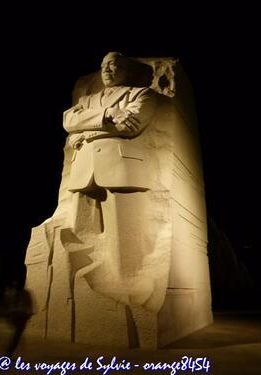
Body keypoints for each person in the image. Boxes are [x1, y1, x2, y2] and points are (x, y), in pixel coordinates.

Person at [62, 52, 160, 308]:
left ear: (126, 70)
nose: (107, 68)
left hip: (119, 165)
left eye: (114, 64)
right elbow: (68, 121)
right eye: (104, 65)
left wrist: (85, 130)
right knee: (80, 231)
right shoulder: (88, 98)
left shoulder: (141, 94)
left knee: (123, 233)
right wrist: (108, 114)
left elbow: (131, 125)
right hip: (84, 169)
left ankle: (129, 286)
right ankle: (84, 286)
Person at [4, 280, 33, 356]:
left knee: (16, 334)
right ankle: (8, 352)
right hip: (20, 315)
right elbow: (28, 304)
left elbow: (7, 304)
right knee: (16, 335)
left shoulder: (10, 292)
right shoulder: (25, 293)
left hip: (14, 315)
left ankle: (9, 351)